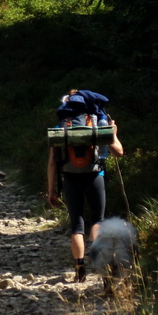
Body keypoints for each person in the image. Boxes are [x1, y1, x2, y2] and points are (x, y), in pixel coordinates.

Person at [46, 90, 124, 282]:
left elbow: (52, 162)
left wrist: (51, 190)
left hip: (70, 178)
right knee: (98, 220)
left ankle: (80, 268)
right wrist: (113, 134)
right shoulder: (99, 122)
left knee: (76, 225)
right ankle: (104, 264)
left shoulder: (62, 126)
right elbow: (118, 152)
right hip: (95, 176)